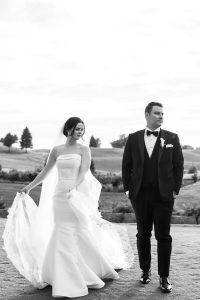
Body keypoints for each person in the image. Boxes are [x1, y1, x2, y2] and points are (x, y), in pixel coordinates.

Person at [3, 117, 133, 298]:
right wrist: (29, 187)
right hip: (58, 196)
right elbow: (45, 172)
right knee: (61, 231)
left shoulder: (84, 149)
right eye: (77, 129)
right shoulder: (57, 150)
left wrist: (74, 187)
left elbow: (83, 172)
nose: (80, 132)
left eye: (82, 129)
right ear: (69, 129)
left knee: (80, 231)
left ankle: (91, 267)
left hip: (74, 195)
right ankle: (60, 274)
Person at [122, 102, 184, 293]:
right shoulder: (133, 138)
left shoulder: (172, 137)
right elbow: (126, 165)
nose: (161, 116)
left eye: (162, 114)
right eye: (157, 113)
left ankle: (164, 277)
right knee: (143, 234)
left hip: (164, 195)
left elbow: (178, 165)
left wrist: (175, 190)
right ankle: (145, 271)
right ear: (147, 114)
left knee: (163, 236)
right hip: (140, 195)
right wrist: (127, 190)